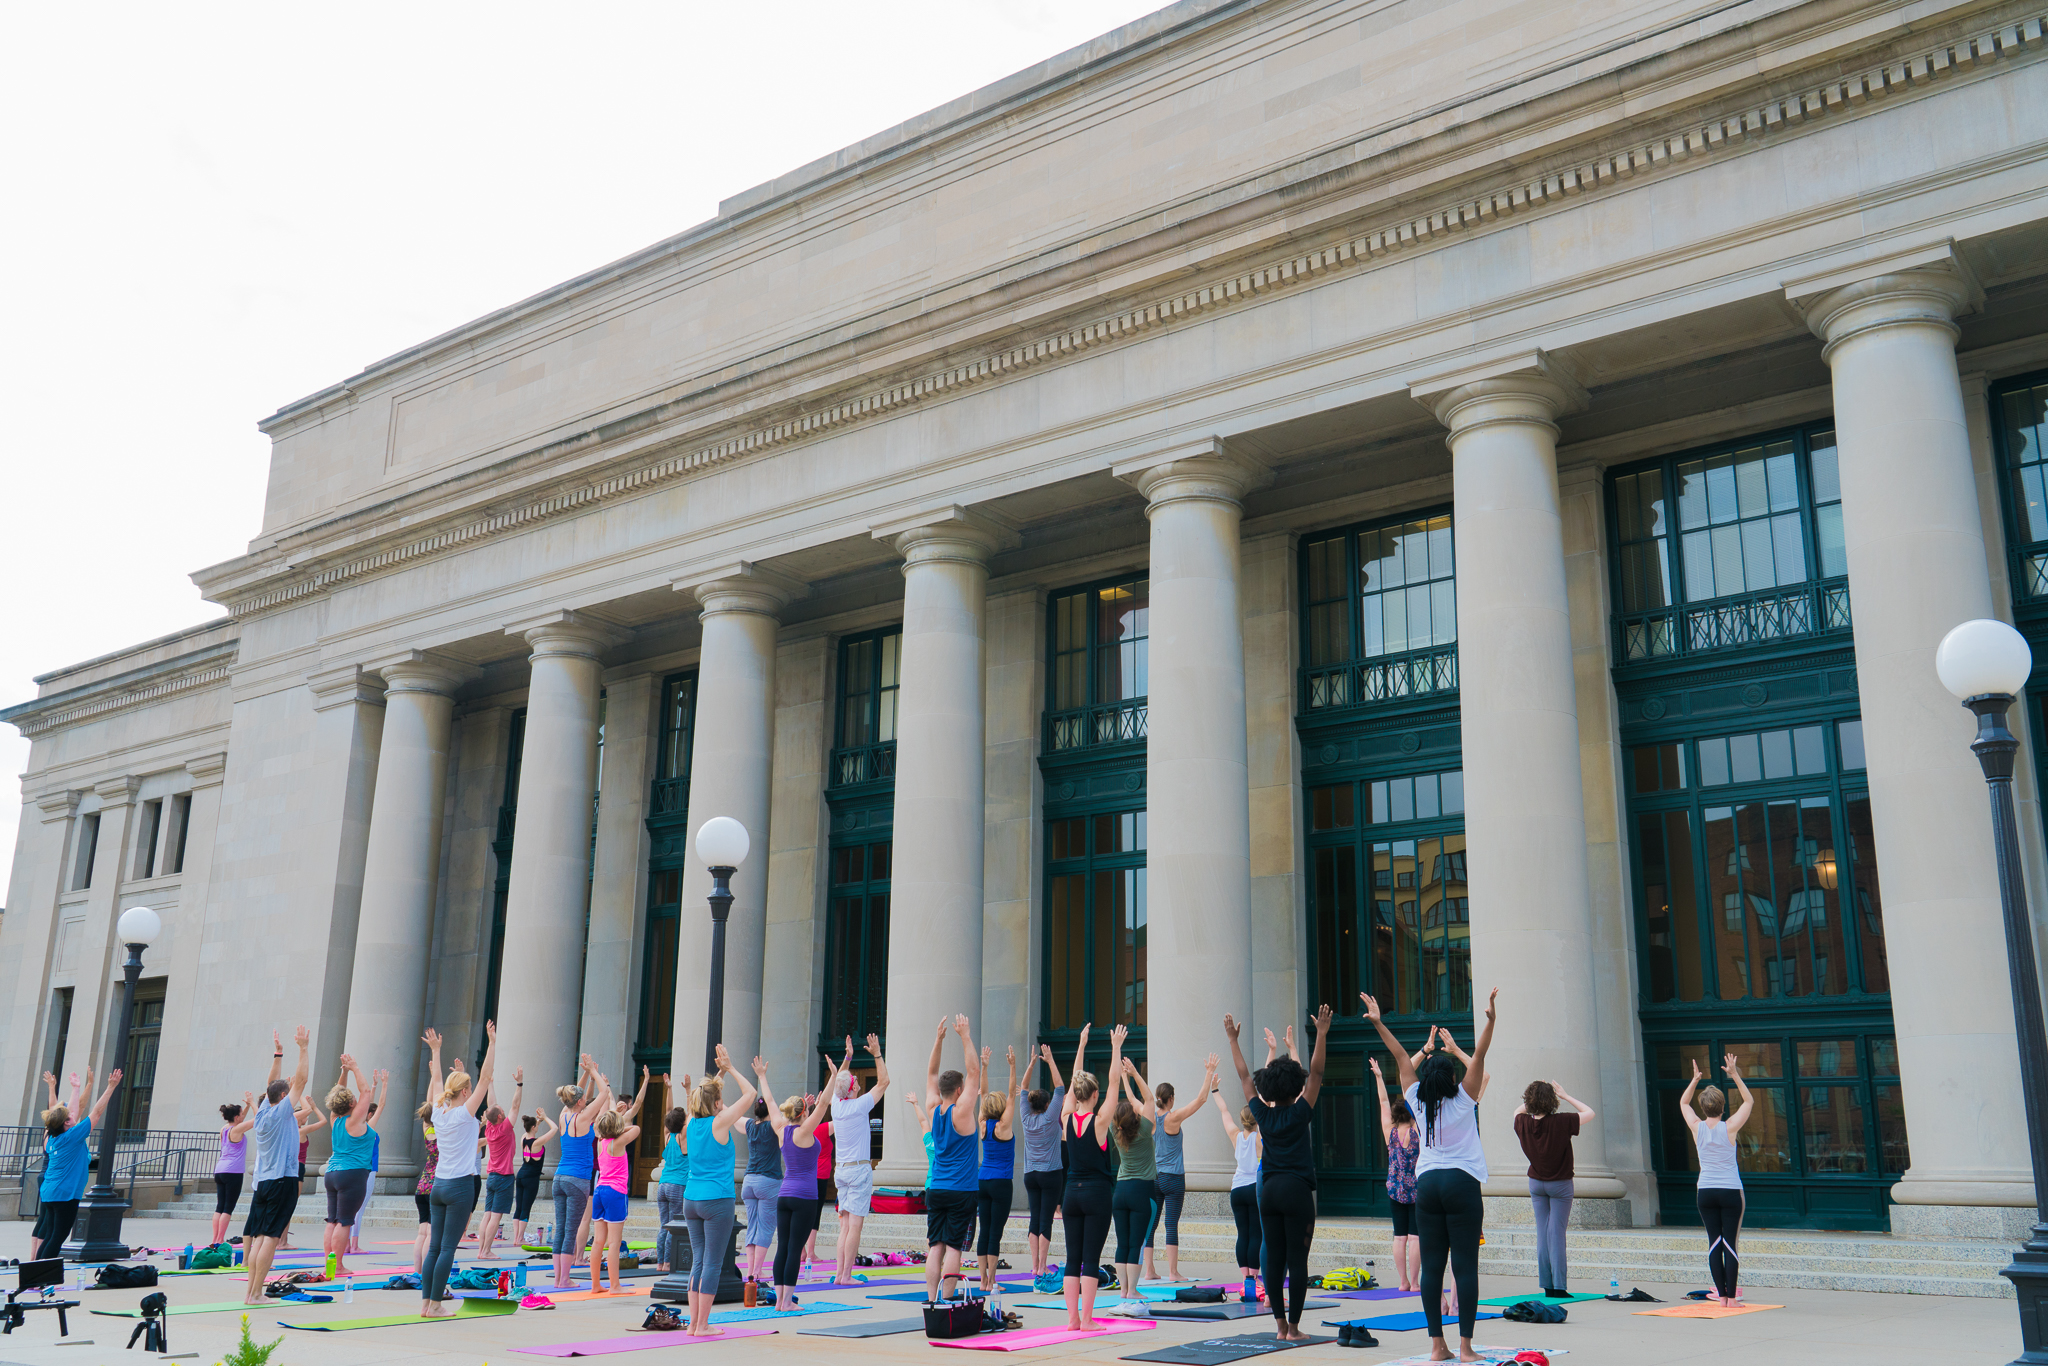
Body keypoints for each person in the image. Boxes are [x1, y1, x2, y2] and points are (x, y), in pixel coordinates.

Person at [1363, 988, 1497, 1364]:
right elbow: (1481, 1057)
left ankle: (1438, 1346)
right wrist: (1488, 1021)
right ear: (1452, 1078)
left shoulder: (1415, 1098)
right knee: (1465, 1266)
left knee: (1433, 1266)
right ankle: (1466, 1347)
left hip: (1429, 1185)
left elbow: (1401, 1055)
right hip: (1461, 1183)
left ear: (1426, 1078)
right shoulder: (1464, 1097)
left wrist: (1378, 1021)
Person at [1226, 1006, 1330, 1342]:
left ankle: (1280, 1325)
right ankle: (1295, 1329)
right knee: (1297, 1261)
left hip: (1268, 1190)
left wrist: (1233, 1041)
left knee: (1273, 1256)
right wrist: (1322, 1035)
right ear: (1293, 1087)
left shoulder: (1262, 1115)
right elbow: (1315, 1074)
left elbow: (1244, 1077)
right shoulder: (1301, 1112)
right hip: (1296, 1191)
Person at [420, 1019, 496, 1318]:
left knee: (435, 1247)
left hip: (438, 1186)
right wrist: (492, 1043)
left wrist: (437, 1051)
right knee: (447, 1248)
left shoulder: (438, 1112)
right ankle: (436, 1305)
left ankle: (426, 1303)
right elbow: (487, 1077)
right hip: (460, 1185)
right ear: (465, 1092)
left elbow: (437, 1080)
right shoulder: (466, 1115)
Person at [681, 1046, 757, 1337]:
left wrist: (720, 1073)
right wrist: (733, 1068)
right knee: (711, 1262)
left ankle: (692, 1324)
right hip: (717, 1200)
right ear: (716, 1104)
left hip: (692, 1199)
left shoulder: (691, 1122)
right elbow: (750, 1094)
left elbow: (703, 1093)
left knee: (699, 1260)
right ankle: (702, 1325)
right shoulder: (719, 1121)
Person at [241, 1026, 312, 1306]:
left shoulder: (262, 1115)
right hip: (282, 1180)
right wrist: (303, 1048)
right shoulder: (282, 1112)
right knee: (269, 1238)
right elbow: (302, 1080)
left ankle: (251, 1292)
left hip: (264, 1183)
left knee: (260, 1238)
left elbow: (272, 1084)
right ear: (283, 1099)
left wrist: (279, 1053)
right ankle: (256, 1293)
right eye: (289, 1094)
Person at [764, 1049, 839, 1311]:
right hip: (805, 1196)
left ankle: (778, 1301)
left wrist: (762, 1076)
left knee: (783, 1246)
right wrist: (834, 1075)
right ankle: (787, 1302)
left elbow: (771, 1102)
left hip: (784, 1196)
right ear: (804, 1112)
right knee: (795, 1248)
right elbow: (825, 1103)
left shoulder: (782, 1130)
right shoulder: (806, 1131)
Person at [1681, 1053, 1753, 1307]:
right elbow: (1749, 1100)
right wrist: (1734, 1074)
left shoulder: (1696, 1127)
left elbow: (1684, 1102)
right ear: (1722, 1107)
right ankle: (1731, 1299)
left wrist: (1694, 1079)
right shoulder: (1730, 1126)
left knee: (1714, 1242)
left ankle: (1721, 1298)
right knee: (1730, 1243)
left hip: (1706, 1191)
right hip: (1731, 1190)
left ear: (1704, 1108)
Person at [1059, 1022, 1118, 1330]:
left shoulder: (1066, 1118)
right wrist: (1116, 1047)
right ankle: (1087, 1319)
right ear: (1095, 1095)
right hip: (1096, 1195)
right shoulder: (1099, 1122)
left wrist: (1081, 1045)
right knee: (1091, 1258)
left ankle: (1072, 1319)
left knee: (1073, 1257)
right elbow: (1115, 1084)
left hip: (1071, 1194)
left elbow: (1073, 1083)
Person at [1514, 1077, 1595, 1297]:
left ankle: (1547, 1285)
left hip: (1536, 1183)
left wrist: (1532, 1099)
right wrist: (1564, 1095)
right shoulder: (1562, 1121)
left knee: (1543, 1233)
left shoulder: (1521, 1121)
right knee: (1556, 1234)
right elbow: (1589, 1112)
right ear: (1553, 1101)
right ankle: (1559, 1287)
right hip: (1560, 1184)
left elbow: (1518, 1110)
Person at [922, 1015, 983, 1304]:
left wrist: (938, 1040)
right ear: (959, 1091)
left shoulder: (933, 1108)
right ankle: (946, 1302)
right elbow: (974, 1070)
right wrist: (965, 1035)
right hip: (961, 1191)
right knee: (954, 1248)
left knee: (936, 1246)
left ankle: (932, 1298)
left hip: (937, 1189)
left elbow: (932, 1073)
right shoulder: (962, 1112)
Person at [1141, 1058, 1217, 1284]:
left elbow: (1136, 1101)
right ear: (1171, 1099)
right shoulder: (1172, 1118)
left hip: (1154, 1177)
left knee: (1151, 1224)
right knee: (1171, 1224)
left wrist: (1127, 1076)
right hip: (1173, 1179)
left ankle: (1149, 1270)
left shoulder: (1151, 1117)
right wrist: (1209, 1072)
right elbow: (1201, 1099)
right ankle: (1173, 1272)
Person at [33, 1067, 120, 1261]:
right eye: (69, 1117)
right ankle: (42, 1275)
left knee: (50, 1236)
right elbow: (96, 1112)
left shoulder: (52, 1138)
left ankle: (37, 1272)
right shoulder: (72, 1136)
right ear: (66, 1124)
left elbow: (66, 1112)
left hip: (50, 1192)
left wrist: (76, 1088)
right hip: (64, 1194)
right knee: (57, 1238)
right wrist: (111, 1087)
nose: (74, 1115)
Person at [830, 1033, 890, 1285]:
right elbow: (884, 1081)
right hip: (858, 1171)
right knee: (854, 1227)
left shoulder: (836, 1103)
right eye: (855, 1082)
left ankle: (840, 1275)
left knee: (845, 1227)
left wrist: (848, 1058)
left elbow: (837, 1082)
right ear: (853, 1088)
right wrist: (876, 1053)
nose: (857, 1082)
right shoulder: (859, 1105)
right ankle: (846, 1276)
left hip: (841, 1170)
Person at [321, 1055, 387, 1277]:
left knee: (333, 1220)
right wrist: (355, 1068)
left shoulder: (335, 1119)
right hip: (352, 1174)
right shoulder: (355, 1120)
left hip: (332, 1174)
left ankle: (329, 1266)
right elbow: (366, 1093)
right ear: (351, 1104)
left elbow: (336, 1093)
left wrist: (344, 1072)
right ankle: (337, 1266)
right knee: (345, 1221)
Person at [1104, 1056, 1159, 1317]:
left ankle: (1123, 1291)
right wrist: (1136, 1073)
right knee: (1137, 1242)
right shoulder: (1145, 1130)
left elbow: (1131, 1106)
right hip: (1142, 1192)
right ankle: (1133, 1291)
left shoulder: (1116, 1132)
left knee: (1123, 1242)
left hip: (1120, 1192)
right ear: (1135, 1118)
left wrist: (1124, 1077)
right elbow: (1150, 1100)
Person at [551, 1056, 605, 1288]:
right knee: (570, 1230)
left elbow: (571, 1095)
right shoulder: (583, 1117)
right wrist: (592, 1071)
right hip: (577, 1180)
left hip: (559, 1178)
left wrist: (584, 1074)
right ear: (582, 1101)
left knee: (561, 1228)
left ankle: (558, 1278)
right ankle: (564, 1279)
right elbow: (603, 1094)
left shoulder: (564, 1114)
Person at [1018, 1044, 1066, 1286]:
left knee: (1034, 1218)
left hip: (1031, 1175)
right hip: (1051, 1175)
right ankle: (1042, 1265)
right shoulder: (1049, 1117)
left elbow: (1023, 1089)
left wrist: (1031, 1065)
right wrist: (1050, 1060)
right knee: (1046, 1219)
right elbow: (1060, 1088)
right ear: (1047, 1105)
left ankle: (1034, 1264)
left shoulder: (1026, 1118)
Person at [589, 1077, 640, 1295]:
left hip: (600, 1190)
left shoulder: (601, 1142)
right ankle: (615, 1285)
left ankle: (595, 1284)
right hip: (615, 1192)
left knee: (598, 1241)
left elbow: (603, 1128)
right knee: (614, 1242)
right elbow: (636, 1129)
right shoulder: (618, 1143)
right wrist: (619, 1116)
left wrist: (615, 1115)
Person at [975, 1045, 1018, 1298]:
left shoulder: (982, 1124)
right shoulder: (1003, 1126)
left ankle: (982, 1280)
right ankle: (991, 1281)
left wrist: (985, 1067)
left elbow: (983, 1095)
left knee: (985, 1229)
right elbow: (1012, 1094)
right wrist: (1012, 1066)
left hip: (983, 1181)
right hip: (1001, 1182)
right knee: (995, 1233)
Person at [1212, 1088, 1261, 1291]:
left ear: (1242, 1120)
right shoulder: (1260, 1137)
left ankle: (1245, 1278)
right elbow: (1271, 1109)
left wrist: (1215, 1089)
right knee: (1256, 1233)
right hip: (1255, 1187)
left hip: (1237, 1189)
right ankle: (1255, 1277)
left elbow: (1224, 1111)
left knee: (1243, 1233)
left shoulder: (1236, 1135)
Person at [478, 1067, 524, 1260]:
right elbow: (515, 1106)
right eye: (502, 1112)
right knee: (495, 1216)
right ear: (499, 1117)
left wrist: (490, 1082)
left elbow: (492, 1104)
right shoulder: (504, 1128)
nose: (504, 1111)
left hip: (491, 1176)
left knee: (487, 1214)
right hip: (504, 1177)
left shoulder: (489, 1127)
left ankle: (481, 1250)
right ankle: (486, 1251)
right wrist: (519, 1084)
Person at [739, 1089, 782, 1289]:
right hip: (768, 1181)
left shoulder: (749, 1125)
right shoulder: (773, 1126)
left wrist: (721, 1107)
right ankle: (757, 1271)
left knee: (752, 1226)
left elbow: (735, 1118)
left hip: (749, 1180)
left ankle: (749, 1270)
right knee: (765, 1227)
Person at [652, 1081, 690, 1273]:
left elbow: (668, 1113)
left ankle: (659, 1263)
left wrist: (669, 1088)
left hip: (663, 1184)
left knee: (663, 1225)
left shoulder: (667, 1136)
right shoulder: (681, 1136)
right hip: (678, 1186)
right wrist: (688, 1091)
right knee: (674, 1227)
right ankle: (667, 1263)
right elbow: (690, 1115)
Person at [211, 1096, 257, 1246]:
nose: (244, 1116)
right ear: (237, 1117)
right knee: (228, 1208)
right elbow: (258, 1119)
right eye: (241, 1114)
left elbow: (240, 1120)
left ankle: (215, 1238)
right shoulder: (237, 1130)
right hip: (233, 1172)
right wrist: (252, 1103)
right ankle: (219, 1239)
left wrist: (247, 1107)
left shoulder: (224, 1129)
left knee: (220, 1206)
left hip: (220, 1170)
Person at [512, 1106, 558, 1247]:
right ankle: (520, 1238)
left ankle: (516, 1238)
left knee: (519, 1207)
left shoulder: (523, 1138)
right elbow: (554, 1129)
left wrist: (537, 1122)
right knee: (526, 1208)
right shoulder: (537, 1143)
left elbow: (531, 1130)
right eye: (536, 1126)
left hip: (520, 1175)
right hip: (531, 1178)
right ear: (533, 1127)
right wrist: (545, 1118)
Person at [347, 1102, 381, 1256]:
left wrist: (374, 1086)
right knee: (358, 1210)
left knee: (350, 1209)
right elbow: (381, 1105)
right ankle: (354, 1245)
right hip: (368, 1169)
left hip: (355, 1169)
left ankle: (348, 1244)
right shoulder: (368, 1130)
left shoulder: (353, 1127)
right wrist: (384, 1085)